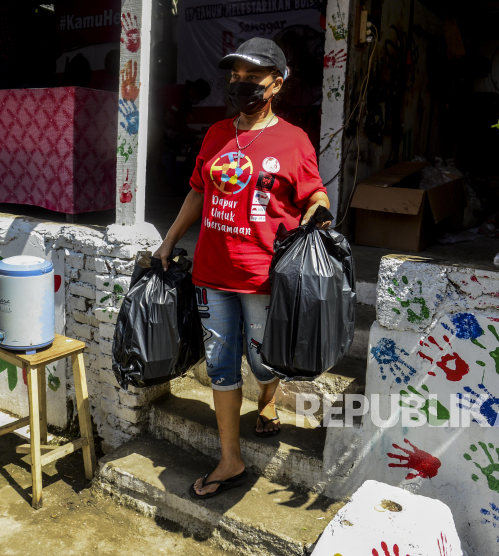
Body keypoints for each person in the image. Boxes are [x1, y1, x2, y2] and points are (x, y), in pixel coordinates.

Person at [154, 38, 331, 499]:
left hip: (261, 278)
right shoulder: (216, 133)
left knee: (262, 360)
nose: (241, 84)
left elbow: (315, 192)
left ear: (277, 81)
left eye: (252, 76)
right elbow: (198, 190)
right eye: (235, 76)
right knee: (220, 367)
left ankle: (268, 403)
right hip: (211, 275)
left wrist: (319, 211)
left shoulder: (294, 140)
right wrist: (169, 240)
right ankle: (230, 459)